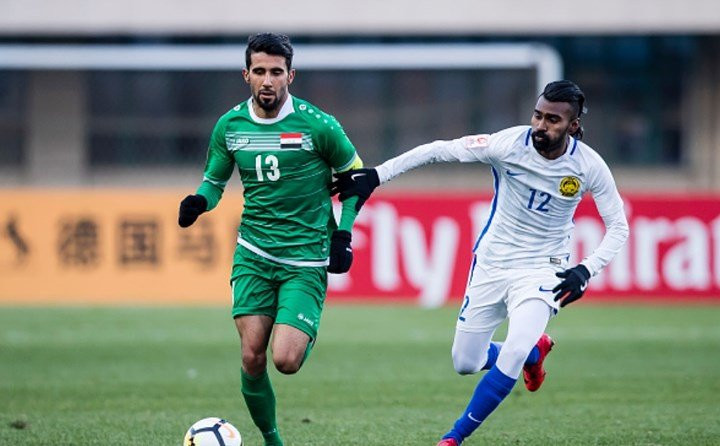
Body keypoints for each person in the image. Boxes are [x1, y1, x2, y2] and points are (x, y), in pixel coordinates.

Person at [331, 80, 629, 446]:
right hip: (492, 263)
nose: (540, 125)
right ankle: (535, 351)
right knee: (465, 362)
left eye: (553, 120)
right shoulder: (507, 145)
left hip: (543, 268)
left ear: (574, 126)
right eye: (537, 115)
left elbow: (619, 227)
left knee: (514, 349)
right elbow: (439, 150)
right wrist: (379, 175)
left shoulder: (589, 166)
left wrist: (586, 269)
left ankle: (453, 437)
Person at [178, 33, 363, 446]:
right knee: (251, 355)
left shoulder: (318, 125)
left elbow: (356, 179)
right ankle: (273, 441)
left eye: (276, 72)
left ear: (290, 76)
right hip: (254, 253)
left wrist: (344, 234)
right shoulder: (230, 126)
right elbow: (214, 182)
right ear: (245, 74)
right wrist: (199, 202)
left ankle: (302, 327)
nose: (267, 80)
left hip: (305, 258)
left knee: (286, 360)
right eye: (259, 71)